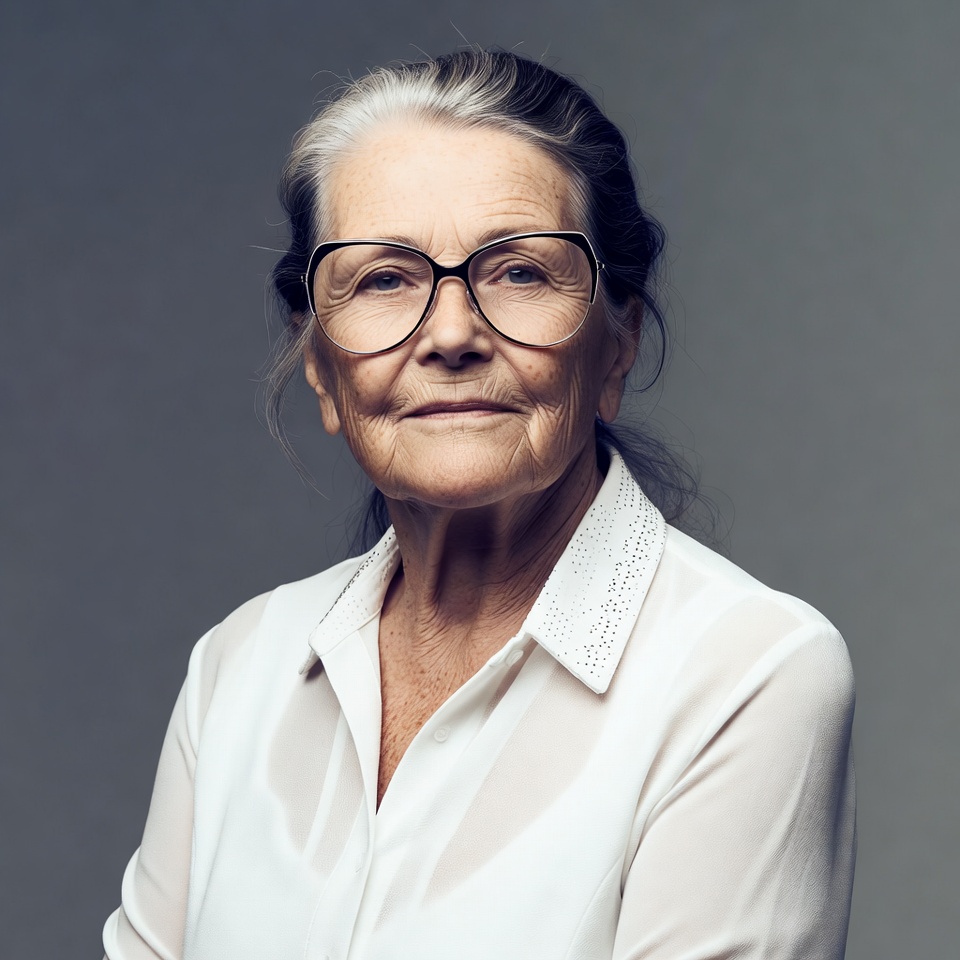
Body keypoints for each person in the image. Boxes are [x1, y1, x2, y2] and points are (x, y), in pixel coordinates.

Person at [103, 49, 855, 960]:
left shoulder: (746, 672)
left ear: (617, 342)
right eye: (383, 279)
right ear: (320, 367)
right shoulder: (239, 667)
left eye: (520, 272)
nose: (452, 334)